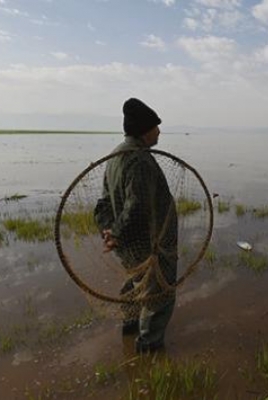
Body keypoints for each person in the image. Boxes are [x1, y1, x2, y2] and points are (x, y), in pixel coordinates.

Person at [93, 98, 178, 353]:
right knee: (159, 294)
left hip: (129, 246)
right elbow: (136, 207)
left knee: (135, 282)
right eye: (156, 127)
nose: (159, 131)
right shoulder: (139, 160)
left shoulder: (117, 154)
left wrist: (108, 231)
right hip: (149, 245)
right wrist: (115, 234)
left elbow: (104, 203)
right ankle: (149, 347)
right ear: (144, 130)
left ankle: (129, 329)